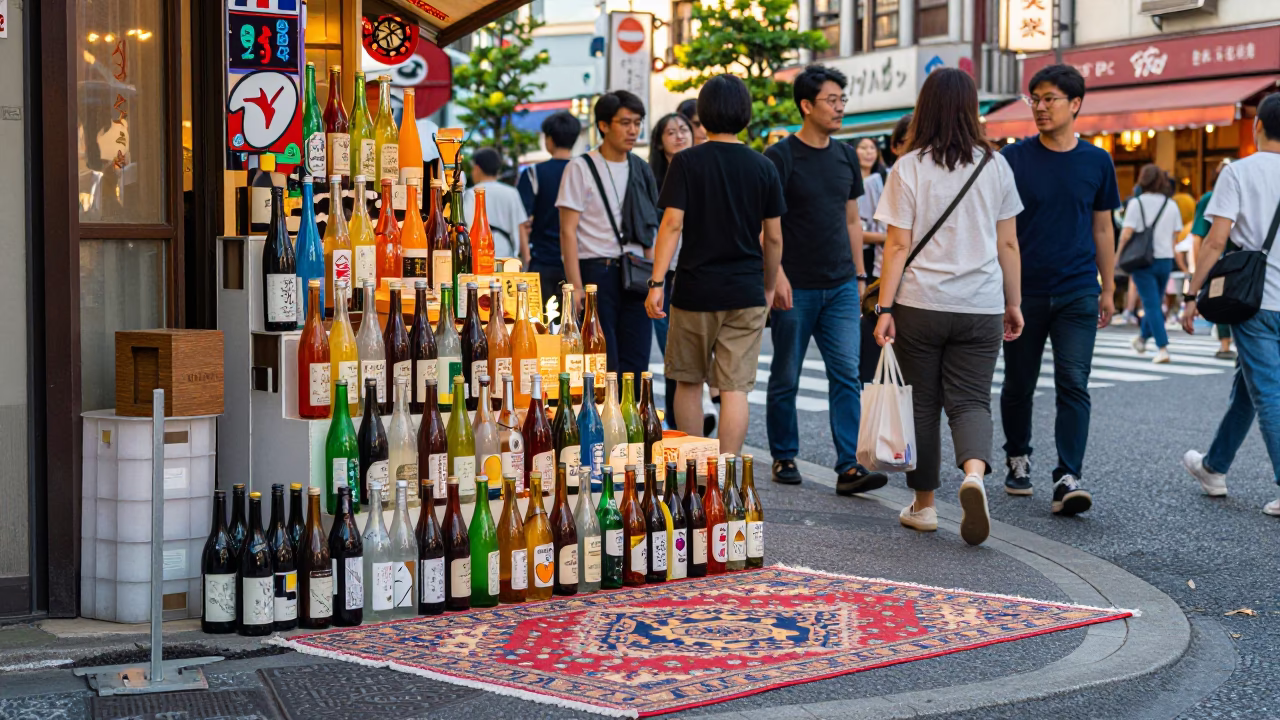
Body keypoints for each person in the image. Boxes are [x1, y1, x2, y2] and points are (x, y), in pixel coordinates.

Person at [872, 67, 1024, 546]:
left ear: (925, 108)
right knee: (971, 400)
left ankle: (925, 506)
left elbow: (896, 246)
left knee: (922, 403)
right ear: (971, 108)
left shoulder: (909, 165)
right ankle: (974, 475)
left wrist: (884, 308)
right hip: (980, 303)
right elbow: (1009, 244)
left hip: (921, 302)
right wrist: (1012, 303)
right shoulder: (995, 164)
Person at [998, 64, 1121, 515]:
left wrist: (1107, 287)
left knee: (1074, 382)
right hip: (1024, 292)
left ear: (1076, 104)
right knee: (1018, 383)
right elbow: (1001, 230)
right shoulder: (1012, 160)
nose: (1040, 106)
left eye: (1050, 98)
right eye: (1035, 98)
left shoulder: (1097, 161)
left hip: (1076, 290)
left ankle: (1069, 475)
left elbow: (1103, 228)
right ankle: (1017, 457)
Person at [645, 74, 786, 457]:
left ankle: (694, 471)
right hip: (745, 290)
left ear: (702, 116)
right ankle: (726, 472)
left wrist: (656, 282)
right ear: (746, 114)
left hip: (694, 289)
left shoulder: (688, 162)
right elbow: (773, 237)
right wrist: (769, 285)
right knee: (735, 388)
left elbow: (672, 223)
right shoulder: (763, 167)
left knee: (688, 382)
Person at [762, 64, 886, 495]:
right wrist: (775, 276)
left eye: (841, 100)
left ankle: (849, 465)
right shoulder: (779, 157)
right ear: (806, 105)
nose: (839, 108)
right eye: (831, 100)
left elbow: (852, 219)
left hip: (840, 287)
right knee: (786, 375)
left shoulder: (846, 155)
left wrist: (858, 274)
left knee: (847, 375)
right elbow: (765, 225)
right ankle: (783, 454)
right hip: (794, 286)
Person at [1181, 92, 1280, 514]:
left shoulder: (1238, 172)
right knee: (1251, 386)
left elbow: (1216, 240)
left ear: (1257, 126)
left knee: (1269, 392)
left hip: (1256, 302)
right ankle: (1214, 466)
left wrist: (1192, 295)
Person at [557, 91, 659, 376]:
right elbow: (568, 231)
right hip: (596, 273)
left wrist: (655, 281)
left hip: (637, 272)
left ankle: (634, 419)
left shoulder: (641, 167)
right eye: (625, 122)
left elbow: (649, 228)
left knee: (638, 361)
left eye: (637, 123)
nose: (633, 130)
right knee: (603, 359)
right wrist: (576, 287)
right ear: (603, 125)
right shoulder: (580, 167)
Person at [647, 112, 695, 429]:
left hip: (699, 272)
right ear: (659, 142)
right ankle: (678, 427)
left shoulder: (704, 170)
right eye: (670, 132)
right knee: (673, 359)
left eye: (683, 130)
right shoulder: (651, 180)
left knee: (697, 361)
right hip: (667, 275)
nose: (679, 135)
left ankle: (693, 422)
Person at [1118, 164, 1181, 363]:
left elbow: (1127, 233)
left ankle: (1163, 348)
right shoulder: (1171, 205)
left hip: (1142, 260)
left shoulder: (1136, 204)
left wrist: (1117, 255)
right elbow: (1175, 234)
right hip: (1165, 259)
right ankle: (1143, 339)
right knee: (1155, 302)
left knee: (1151, 304)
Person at [518, 111, 580, 297]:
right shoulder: (584, 173)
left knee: (540, 322)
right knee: (573, 323)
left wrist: (526, 258)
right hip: (577, 263)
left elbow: (522, 220)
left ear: (549, 139)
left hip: (542, 260)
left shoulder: (533, 173)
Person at [1189, 159, 1235, 359]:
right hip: (1238, 258)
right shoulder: (1213, 198)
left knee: (1221, 299)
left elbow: (1200, 235)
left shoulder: (1209, 198)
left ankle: (1225, 344)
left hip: (1218, 258)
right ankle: (1226, 342)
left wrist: (1198, 266)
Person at [464, 147, 529, 261]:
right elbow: (521, 227)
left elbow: (467, 229)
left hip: (480, 259)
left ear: (477, 168)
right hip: (508, 258)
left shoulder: (471, 194)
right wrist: (526, 258)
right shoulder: (512, 192)